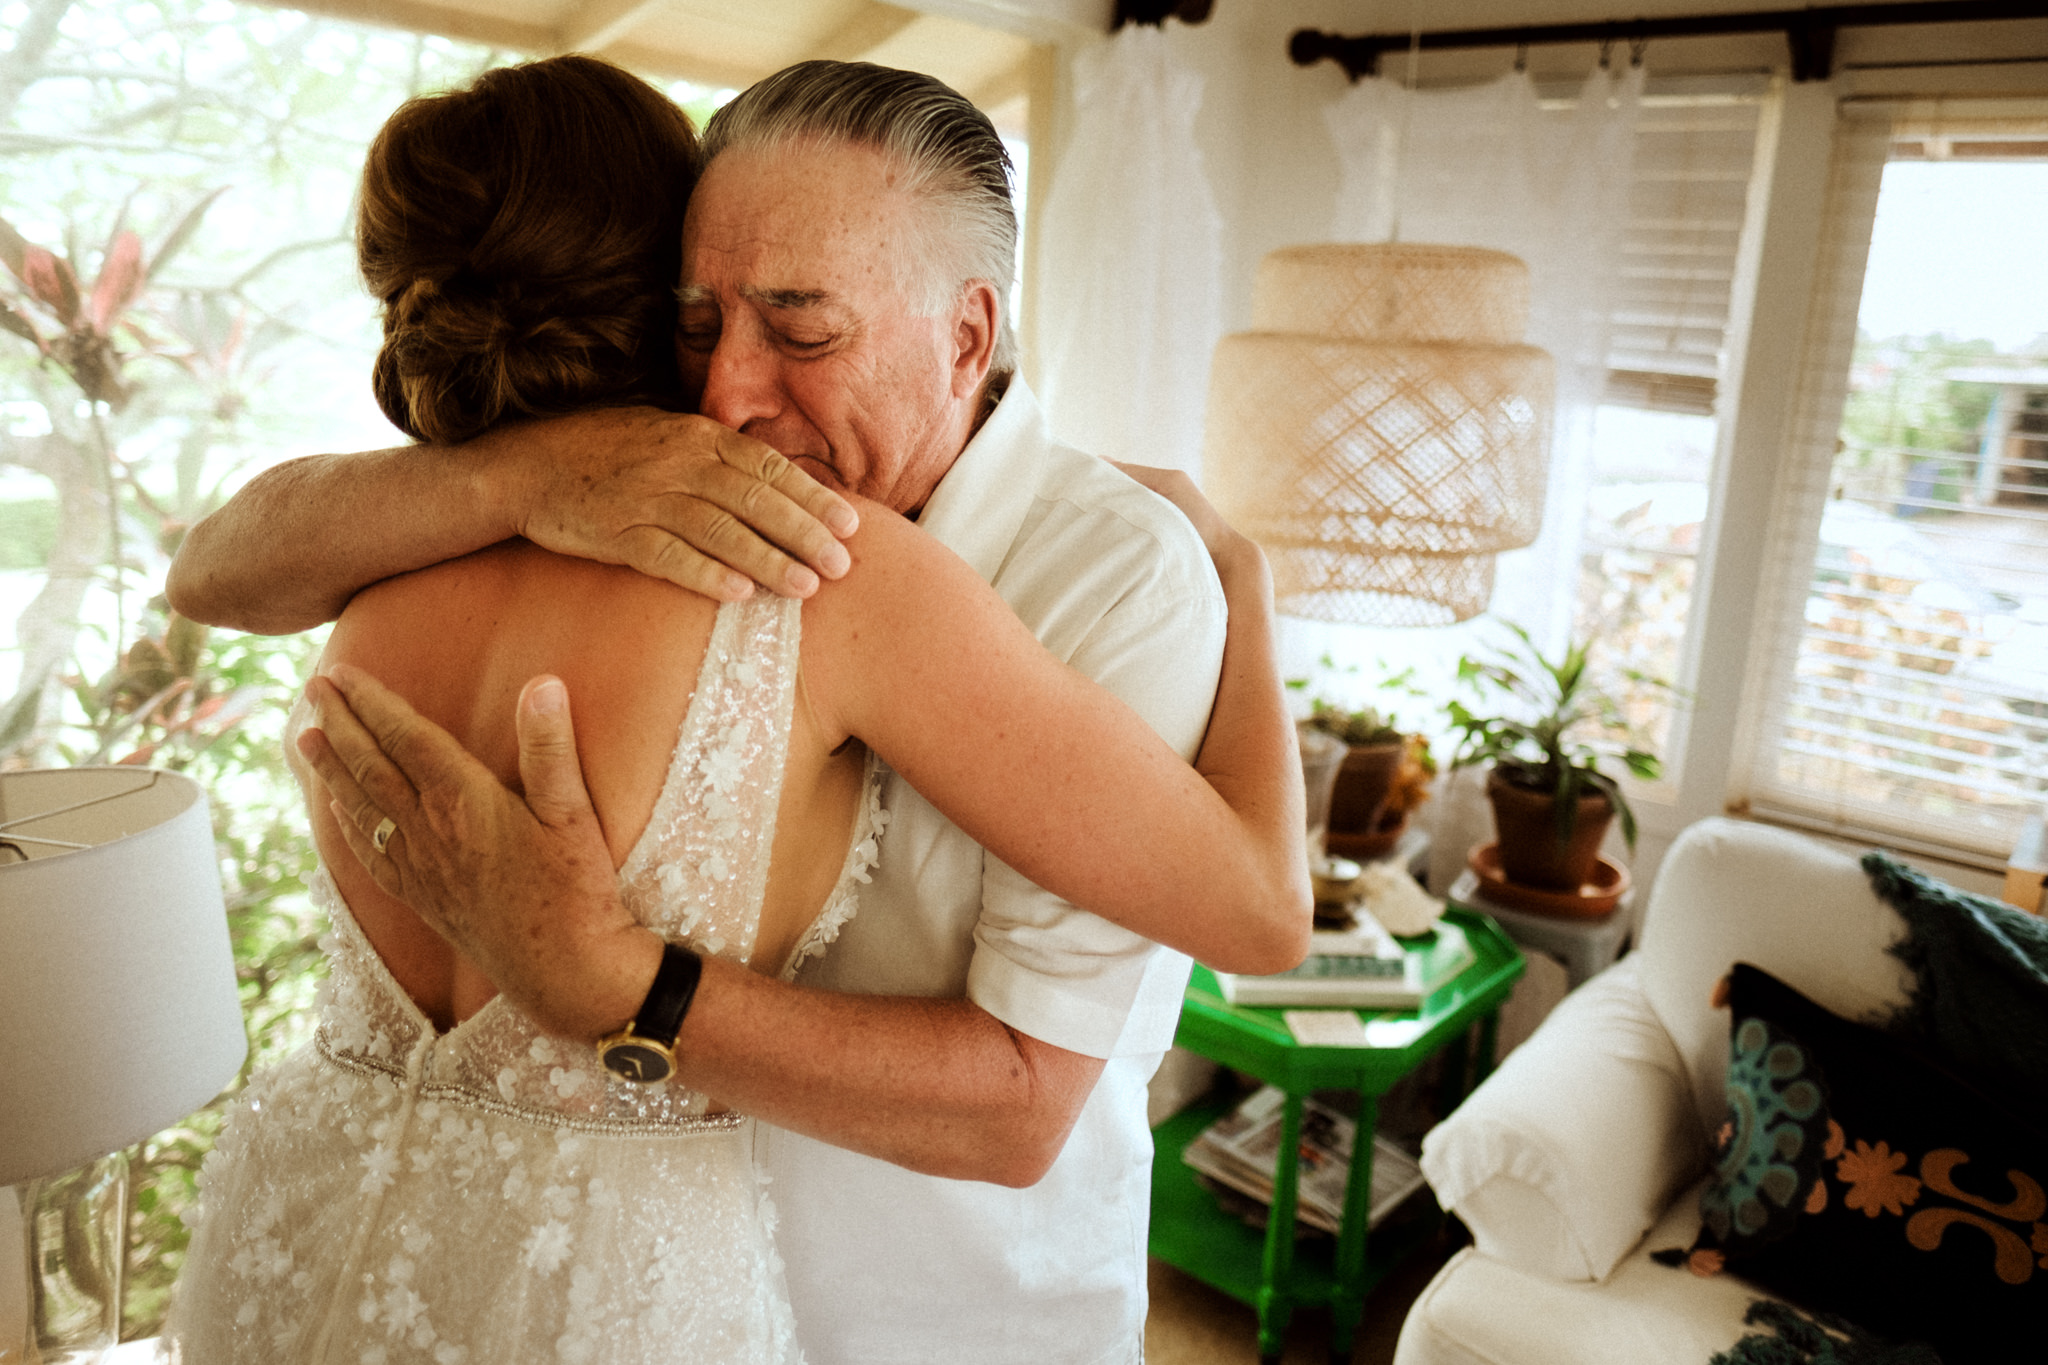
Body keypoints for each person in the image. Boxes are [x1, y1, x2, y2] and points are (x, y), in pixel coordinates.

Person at [166, 58, 1306, 1365]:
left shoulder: (1110, 575)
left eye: (801, 332)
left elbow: (1043, 1090)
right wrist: (522, 474)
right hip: (620, 1289)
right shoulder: (650, 521)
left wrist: (625, 991)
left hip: (937, 1321)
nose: (728, 398)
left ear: (969, 336)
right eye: (698, 324)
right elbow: (211, 564)